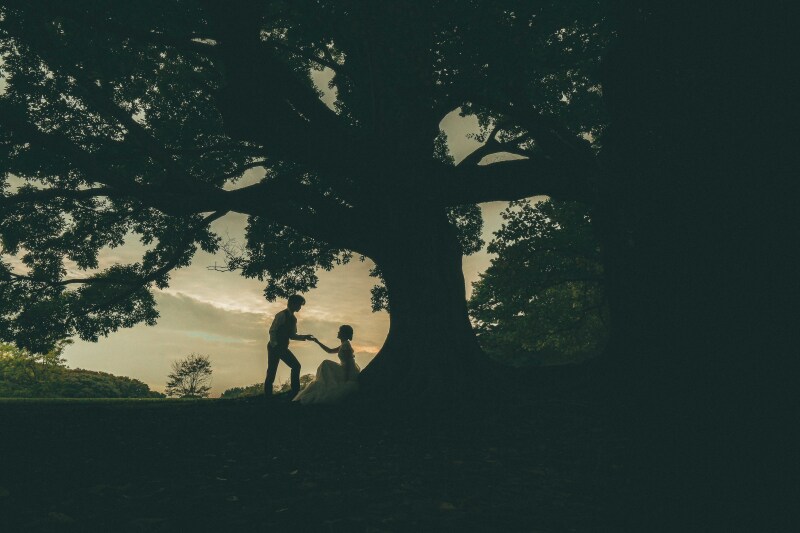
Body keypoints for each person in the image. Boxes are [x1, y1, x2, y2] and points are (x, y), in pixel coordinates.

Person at [293, 325, 360, 405]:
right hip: (343, 369)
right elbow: (330, 351)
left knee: (326, 364)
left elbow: (348, 364)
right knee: (326, 364)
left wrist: (346, 378)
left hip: (346, 371)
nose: (338, 332)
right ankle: (325, 383)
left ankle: (326, 385)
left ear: (343, 334)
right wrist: (317, 342)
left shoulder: (346, 345)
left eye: (340, 331)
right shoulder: (344, 344)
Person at [264, 294, 313, 398]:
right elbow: (272, 330)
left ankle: (294, 391)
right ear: (293, 304)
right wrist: (275, 345)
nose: (300, 307)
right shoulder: (281, 315)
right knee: (272, 370)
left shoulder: (294, 319)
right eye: (299, 305)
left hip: (282, 347)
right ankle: (268, 395)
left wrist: (305, 337)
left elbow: (292, 335)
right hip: (275, 347)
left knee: (295, 366)